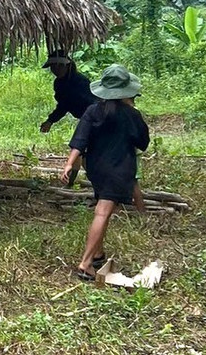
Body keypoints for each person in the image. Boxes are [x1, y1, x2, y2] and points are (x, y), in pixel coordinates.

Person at [59, 63, 150, 281]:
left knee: (104, 209)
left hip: (96, 168)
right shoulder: (131, 115)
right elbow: (143, 142)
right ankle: (86, 263)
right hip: (119, 169)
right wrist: (132, 111)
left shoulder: (93, 111)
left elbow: (80, 140)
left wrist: (69, 163)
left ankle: (98, 254)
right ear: (127, 91)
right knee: (103, 212)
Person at [40, 49, 96, 185]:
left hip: (93, 118)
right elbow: (63, 105)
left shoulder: (80, 82)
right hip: (85, 119)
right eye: (53, 67)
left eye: (59, 66)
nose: (55, 70)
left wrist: (51, 120)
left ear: (67, 65)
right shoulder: (59, 83)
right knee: (80, 151)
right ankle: (72, 182)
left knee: (82, 151)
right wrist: (50, 120)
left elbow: (70, 104)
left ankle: (97, 183)